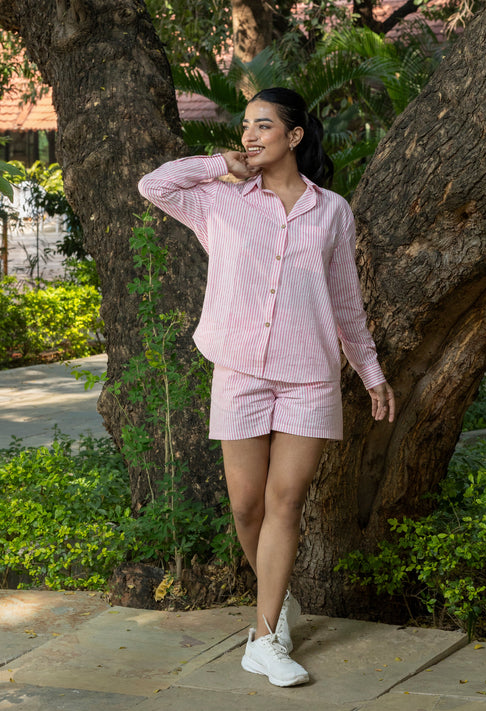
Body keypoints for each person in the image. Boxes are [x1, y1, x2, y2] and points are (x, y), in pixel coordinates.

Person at [138, 87, 395, 688]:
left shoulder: (332, 211)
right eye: (245, 126)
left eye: (263, 125)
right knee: (246, 507)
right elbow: (154, 185)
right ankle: (276, 604)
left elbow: (346, 303)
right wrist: (218, 164)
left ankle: (265, 638)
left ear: (294, 135)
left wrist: (371, 372)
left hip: (308, 375)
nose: (249, 136)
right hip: (240, 371)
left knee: (286, 502)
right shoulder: (219, 200)